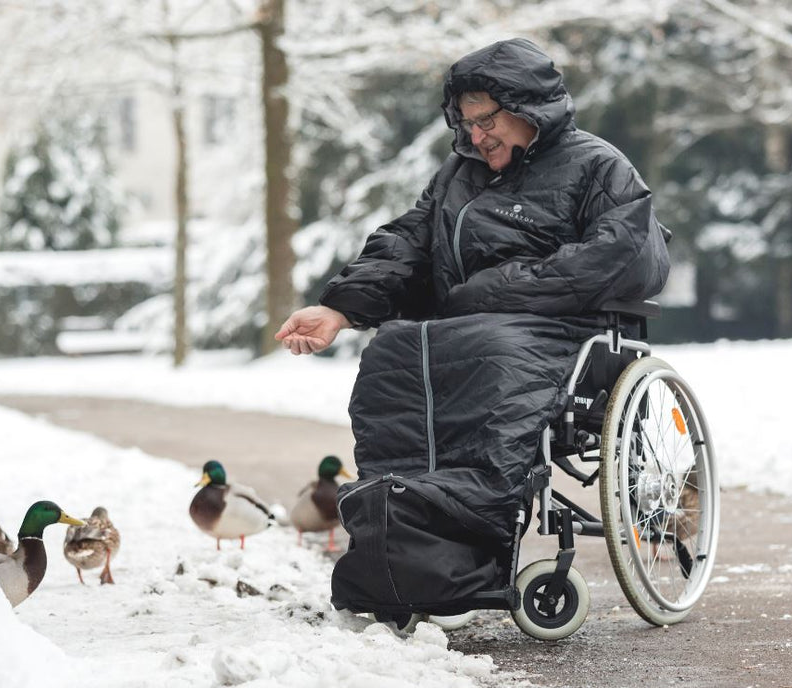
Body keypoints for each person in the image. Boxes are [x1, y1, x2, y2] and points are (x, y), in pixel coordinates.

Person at [273, 38, 671, 619]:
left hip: (558, 334)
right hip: (465, 331)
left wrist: (497, 288)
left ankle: (469, 548)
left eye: (489, 119)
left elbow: (630, 254)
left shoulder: (598, 166)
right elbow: (407, 244)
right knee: (391, 351)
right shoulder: (458, 176)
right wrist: (341, 309)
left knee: (488, 349)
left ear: (530, 107)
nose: (477, 136)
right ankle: (405, 555)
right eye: (466, 122)